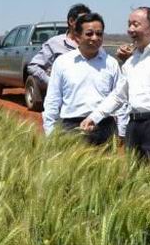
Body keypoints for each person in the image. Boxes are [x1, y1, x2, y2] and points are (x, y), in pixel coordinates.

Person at [81, 7, 150, 159]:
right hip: (134, 125)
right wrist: (95, 117)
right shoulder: (132, 61)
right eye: (129, 24)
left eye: (135, 24)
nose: (130, 29)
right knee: (134, 172)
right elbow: (118, 95)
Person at [42, 12, 120, 145]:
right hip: (71, 128)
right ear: (77, 37)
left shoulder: (111, 64)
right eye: (89, 34)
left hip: (104, 127)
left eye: (99, 34)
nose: (95, 38)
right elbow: (53, 99)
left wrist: (122, 132)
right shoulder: (62, 63)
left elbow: (119, 98)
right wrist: (50, 131)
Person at [28, 3, 91, 88]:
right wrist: (52, 83)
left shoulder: (92, 44)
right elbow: (33, 66)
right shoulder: (55, 43)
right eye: (83, 21)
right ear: (71, 21)